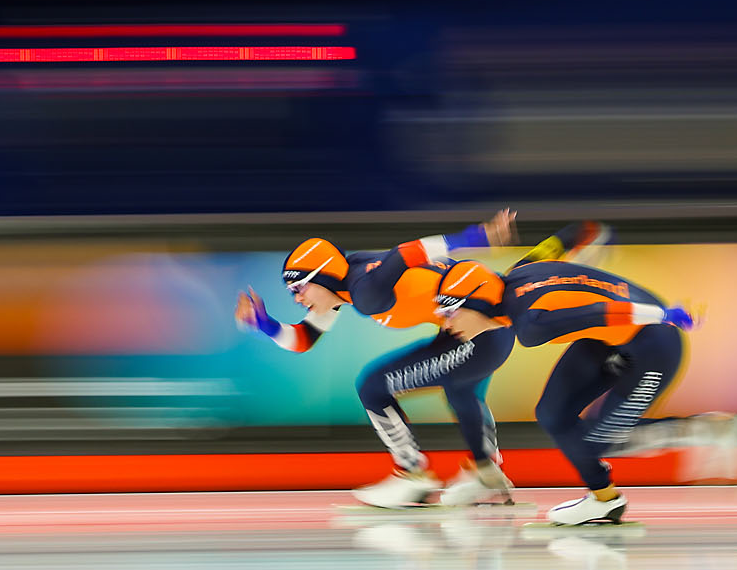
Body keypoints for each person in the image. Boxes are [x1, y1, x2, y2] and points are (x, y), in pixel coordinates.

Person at [235, 210, 519, 508]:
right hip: (483, 329)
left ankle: (414, 475)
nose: (297, 298)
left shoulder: (366, 291)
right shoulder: (344, 287)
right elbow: (304, 339)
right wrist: (264, 324)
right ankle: (486, 474)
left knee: (374, 387)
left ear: (324, 278)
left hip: (484, 332)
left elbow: (407, 253)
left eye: (299, 287)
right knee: (459, 391)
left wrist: (475, 237)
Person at [501, 223, 697, 525]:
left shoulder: (531, 326)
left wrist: (664, 315)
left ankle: (702, 430)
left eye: (450, 318)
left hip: (655, 340)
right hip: (609, 338)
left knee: (596, 443)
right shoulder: (518, 271)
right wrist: (593, 232)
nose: (450, 329)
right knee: (553, 414)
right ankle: (604, 500)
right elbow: (563, 240)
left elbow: (597, 312)